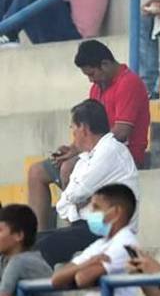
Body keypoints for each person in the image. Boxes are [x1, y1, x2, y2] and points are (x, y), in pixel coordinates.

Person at [26, 41, 149, 234]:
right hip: (93, 154)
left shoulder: (129, 83)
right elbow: (89, 129)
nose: (91, 80)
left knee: (68, 167)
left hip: (121, 156)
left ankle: (74, 231)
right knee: (37, 172)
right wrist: (72, 148)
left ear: (106, 64)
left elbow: (122, 131)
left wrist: (76, 153)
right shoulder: (97, 87)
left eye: (92, 74)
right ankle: (38, 237)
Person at [35, 99, 139, 266]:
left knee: (47, 245)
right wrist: (78, 203)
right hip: (86, 226)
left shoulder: (110, 150)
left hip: (110, 229)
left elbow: (77, 192)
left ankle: (41, 291)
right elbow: (65, 203)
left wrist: (79, 201)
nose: (73, 134)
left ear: (83, 128)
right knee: (31, 242)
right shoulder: (85, 158)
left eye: (73, 128)